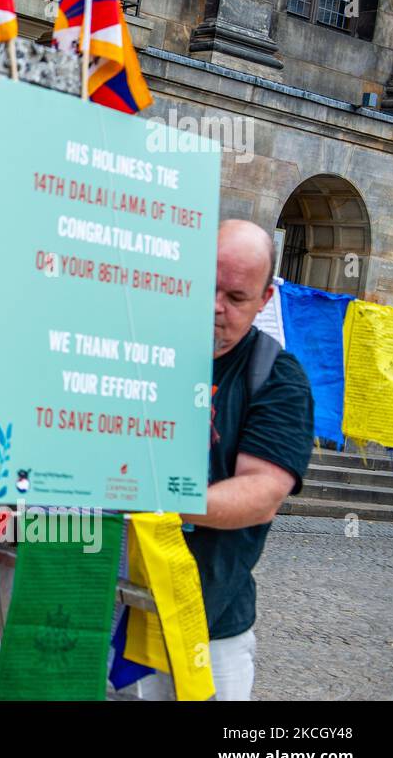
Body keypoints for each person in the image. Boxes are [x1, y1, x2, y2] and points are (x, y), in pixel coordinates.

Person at [133, 219, 314, 701]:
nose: (215, 308)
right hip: (109, 611)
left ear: (264, 300)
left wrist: (148, 500)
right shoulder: (137, 350)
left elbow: (261, 494)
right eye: (206, 287)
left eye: (235, 298)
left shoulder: (276, 377)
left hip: (209, 631)